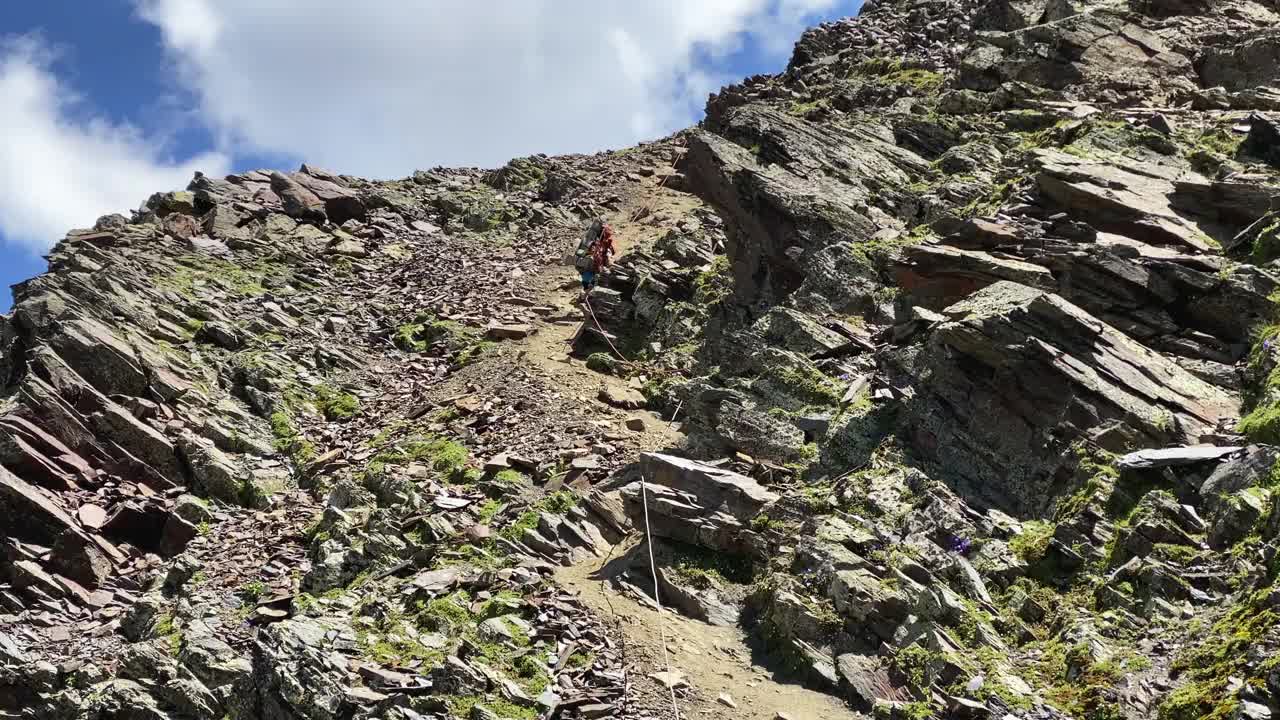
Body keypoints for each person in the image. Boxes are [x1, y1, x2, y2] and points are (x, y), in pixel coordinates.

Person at [580, 222, 617, 295]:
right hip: (593, 264)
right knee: (589, 277)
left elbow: (610, 251)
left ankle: (589, 291)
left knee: (594, 277)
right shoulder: (592, 242)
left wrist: (608, 259)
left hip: (598, 265)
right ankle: (587, 291)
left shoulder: (605, 242)